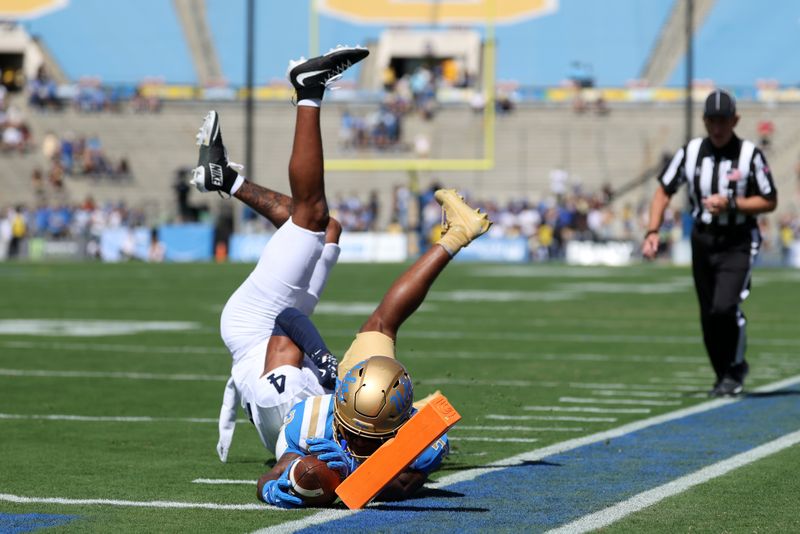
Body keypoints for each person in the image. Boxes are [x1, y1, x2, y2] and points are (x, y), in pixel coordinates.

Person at [191, 46, 491, 484]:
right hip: (306, 366)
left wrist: (308, 477)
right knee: (328, 232)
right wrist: (406, 472)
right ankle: (225, 178)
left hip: (258, 329)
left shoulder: (296, 418)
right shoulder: (360, 421)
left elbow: (287, 323)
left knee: (309, 217)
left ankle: (308, 91)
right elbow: (408, 465)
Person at [642, 89, 777, 397]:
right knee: (707, 312)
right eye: (712, 121)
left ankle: (736, 366)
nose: (717, 128)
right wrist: (652, 231)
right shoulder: (690, 152)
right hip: (703, 238)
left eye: (723, 121)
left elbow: (769, 200)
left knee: (725, 306)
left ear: (735, 120)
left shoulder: (749, 155)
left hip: (738, 239)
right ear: (704, 121)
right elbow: (664, 191)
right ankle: (723, 375)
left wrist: (733, 204)